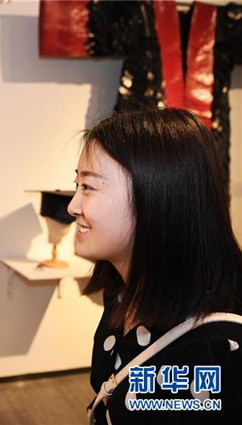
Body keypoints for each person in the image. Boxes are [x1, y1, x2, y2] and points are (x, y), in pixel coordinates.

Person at [67, 108, 242, 424]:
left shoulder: (211, 351)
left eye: (88, 187)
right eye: (77, 184)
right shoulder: (124, 293)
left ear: (155, 194)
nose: (72, 206)